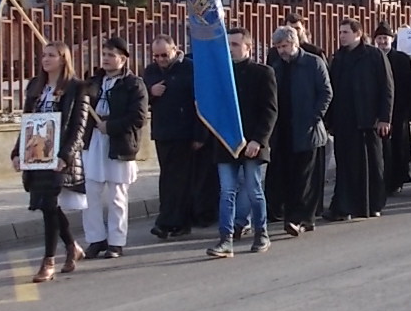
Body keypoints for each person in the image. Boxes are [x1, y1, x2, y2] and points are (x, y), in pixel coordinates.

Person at [12, 41, 93, 282]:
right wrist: (17, 152)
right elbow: (27, 123)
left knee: (49, 204)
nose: (45, 59)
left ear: (63, 59)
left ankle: (48, 261)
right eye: (44, 55)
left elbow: (78, 127)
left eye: (51, 55)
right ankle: (72, 247)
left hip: (58, 155)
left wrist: (65, 156)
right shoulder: (35, 87)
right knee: (47, 205)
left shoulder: (77, 88)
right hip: (36, 154)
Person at [206, 27, 278, 258]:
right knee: (227, 191)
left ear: (248, 47)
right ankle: (225, 239)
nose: (230, 49)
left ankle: (261, 233)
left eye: (235, 45)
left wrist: (258, 140)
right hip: (226, 143)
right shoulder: (221, 75)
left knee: (254, 190)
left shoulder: (263, 73)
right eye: (227, 44)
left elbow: (270, 111)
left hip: (252, 143)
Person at [81, 36, 146, 259]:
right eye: (104, 54)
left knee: (117, 195)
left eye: (111, 55)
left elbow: (138, 117)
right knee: (90, 192)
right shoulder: (92, 81)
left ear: (123, 59)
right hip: (93, 142)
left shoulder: (133, 84)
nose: (106, 59)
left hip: (119, 143)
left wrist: (111, 126)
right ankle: (95, 239)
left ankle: (116, 241)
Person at [267, 25, 332, 237]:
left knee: (306, 178)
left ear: (295, 43)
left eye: (284, 46)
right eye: (278, 47)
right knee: (288, 177)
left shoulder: (313, 63)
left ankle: (303, 219)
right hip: (285, 131)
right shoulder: (277, 67)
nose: (281, 50)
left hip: (308, 130)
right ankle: (291, 217)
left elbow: (326, 92)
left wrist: (314, 116)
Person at [326, 17, 393, 221]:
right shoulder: (338, 57)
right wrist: (330, 121)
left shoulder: (374, 55)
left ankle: (372, 205)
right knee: (346, 165)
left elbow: (387, 87)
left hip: (369, 119)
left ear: (358, 33)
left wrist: (385, 117)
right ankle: (344, 206)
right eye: (340, 32)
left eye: (345, 32)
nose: (341, 36)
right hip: (344, 120)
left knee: (372, 164)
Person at [143, 36, 197, 239]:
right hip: (162, 131)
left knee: (181, 180)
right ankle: (166, 220)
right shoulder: (151, 71)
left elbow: (198, 101)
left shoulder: (188, 67)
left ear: (175, 49)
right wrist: (151, 92)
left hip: (185, 131)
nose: (161, 60)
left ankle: (177, 222)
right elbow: (141, 98)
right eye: (156, 56)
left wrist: (199, 134)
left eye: (164, 55)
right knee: (166, 178)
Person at [373, 24, 411, 192]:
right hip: (379, 112)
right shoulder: (372, 58)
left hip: (399, 110)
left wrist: (406, 109)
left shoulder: (402, 59)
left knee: (398, 147)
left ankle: (397, 180)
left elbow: (410, 86)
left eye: (385, 38)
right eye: (379, 38)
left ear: (392, 39)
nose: (382, 41)